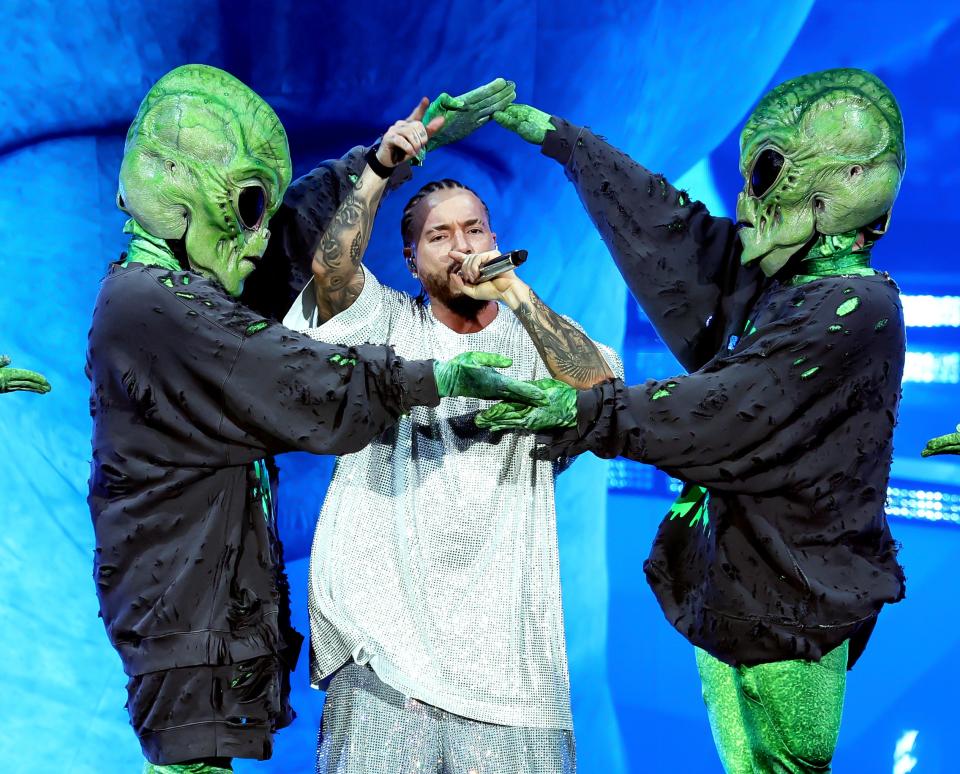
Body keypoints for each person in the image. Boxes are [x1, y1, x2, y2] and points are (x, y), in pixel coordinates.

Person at [87, 64, 543, 774]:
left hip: (209, 615)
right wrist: (439, 376)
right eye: (244, 208)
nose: (260, 238)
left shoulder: (176, 295)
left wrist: (380, 163)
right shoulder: (151, 307)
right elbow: (294, 373)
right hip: (185, 621)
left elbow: (287, 242)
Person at [481, 68, 907, 773]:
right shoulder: (777, 287)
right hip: (729, 587)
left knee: (784, 761)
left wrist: (586, 412)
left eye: (767, 173)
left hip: (796, 607)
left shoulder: (859, 311)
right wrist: (566, 143)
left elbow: (730, 405)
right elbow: (673, 229)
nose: (744, 204)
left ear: (843, 180)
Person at [282, 101, 623, 774]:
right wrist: (379, 170)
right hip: (387, 665)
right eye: (440, 236)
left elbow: (596, 389)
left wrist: (519, 296)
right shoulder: (384, 320)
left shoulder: (536, 337)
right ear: (411, 260)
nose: (462, 245)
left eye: (474, 230)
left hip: (510, 680)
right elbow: (331, 273)